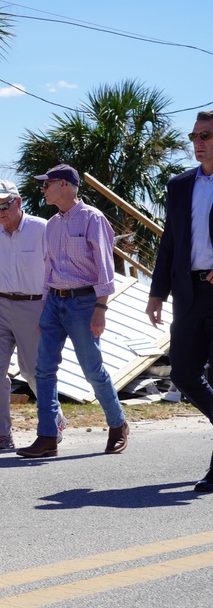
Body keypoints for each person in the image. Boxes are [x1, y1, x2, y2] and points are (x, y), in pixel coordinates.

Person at [17, 164, 129, 458]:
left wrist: (100, 309)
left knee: (93, 371)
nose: (42, 189)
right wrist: (44, 307)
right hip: (54, 302)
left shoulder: (93, 218)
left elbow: (106, 268)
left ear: (65, 185)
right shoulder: (51, 224)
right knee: (43, 370)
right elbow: (48, 268)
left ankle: (118, 425)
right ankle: (47, 436)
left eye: (47, 184)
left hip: (84, 304)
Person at [0, 180, 65, 449]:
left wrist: (52, 308)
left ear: (19, 202)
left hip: (34, 306)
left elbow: (58, 267)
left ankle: (54, 420)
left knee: (33, 370)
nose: (0, 212)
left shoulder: (42, 228)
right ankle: (1, 434)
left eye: (5, 205)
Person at [146, 111, 213, 491]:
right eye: (194, 136)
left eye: (206, 135)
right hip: (188, 292)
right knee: (184, 374)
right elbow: (169, 241)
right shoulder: (180, 185)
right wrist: (157, 293)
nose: (197, 142)